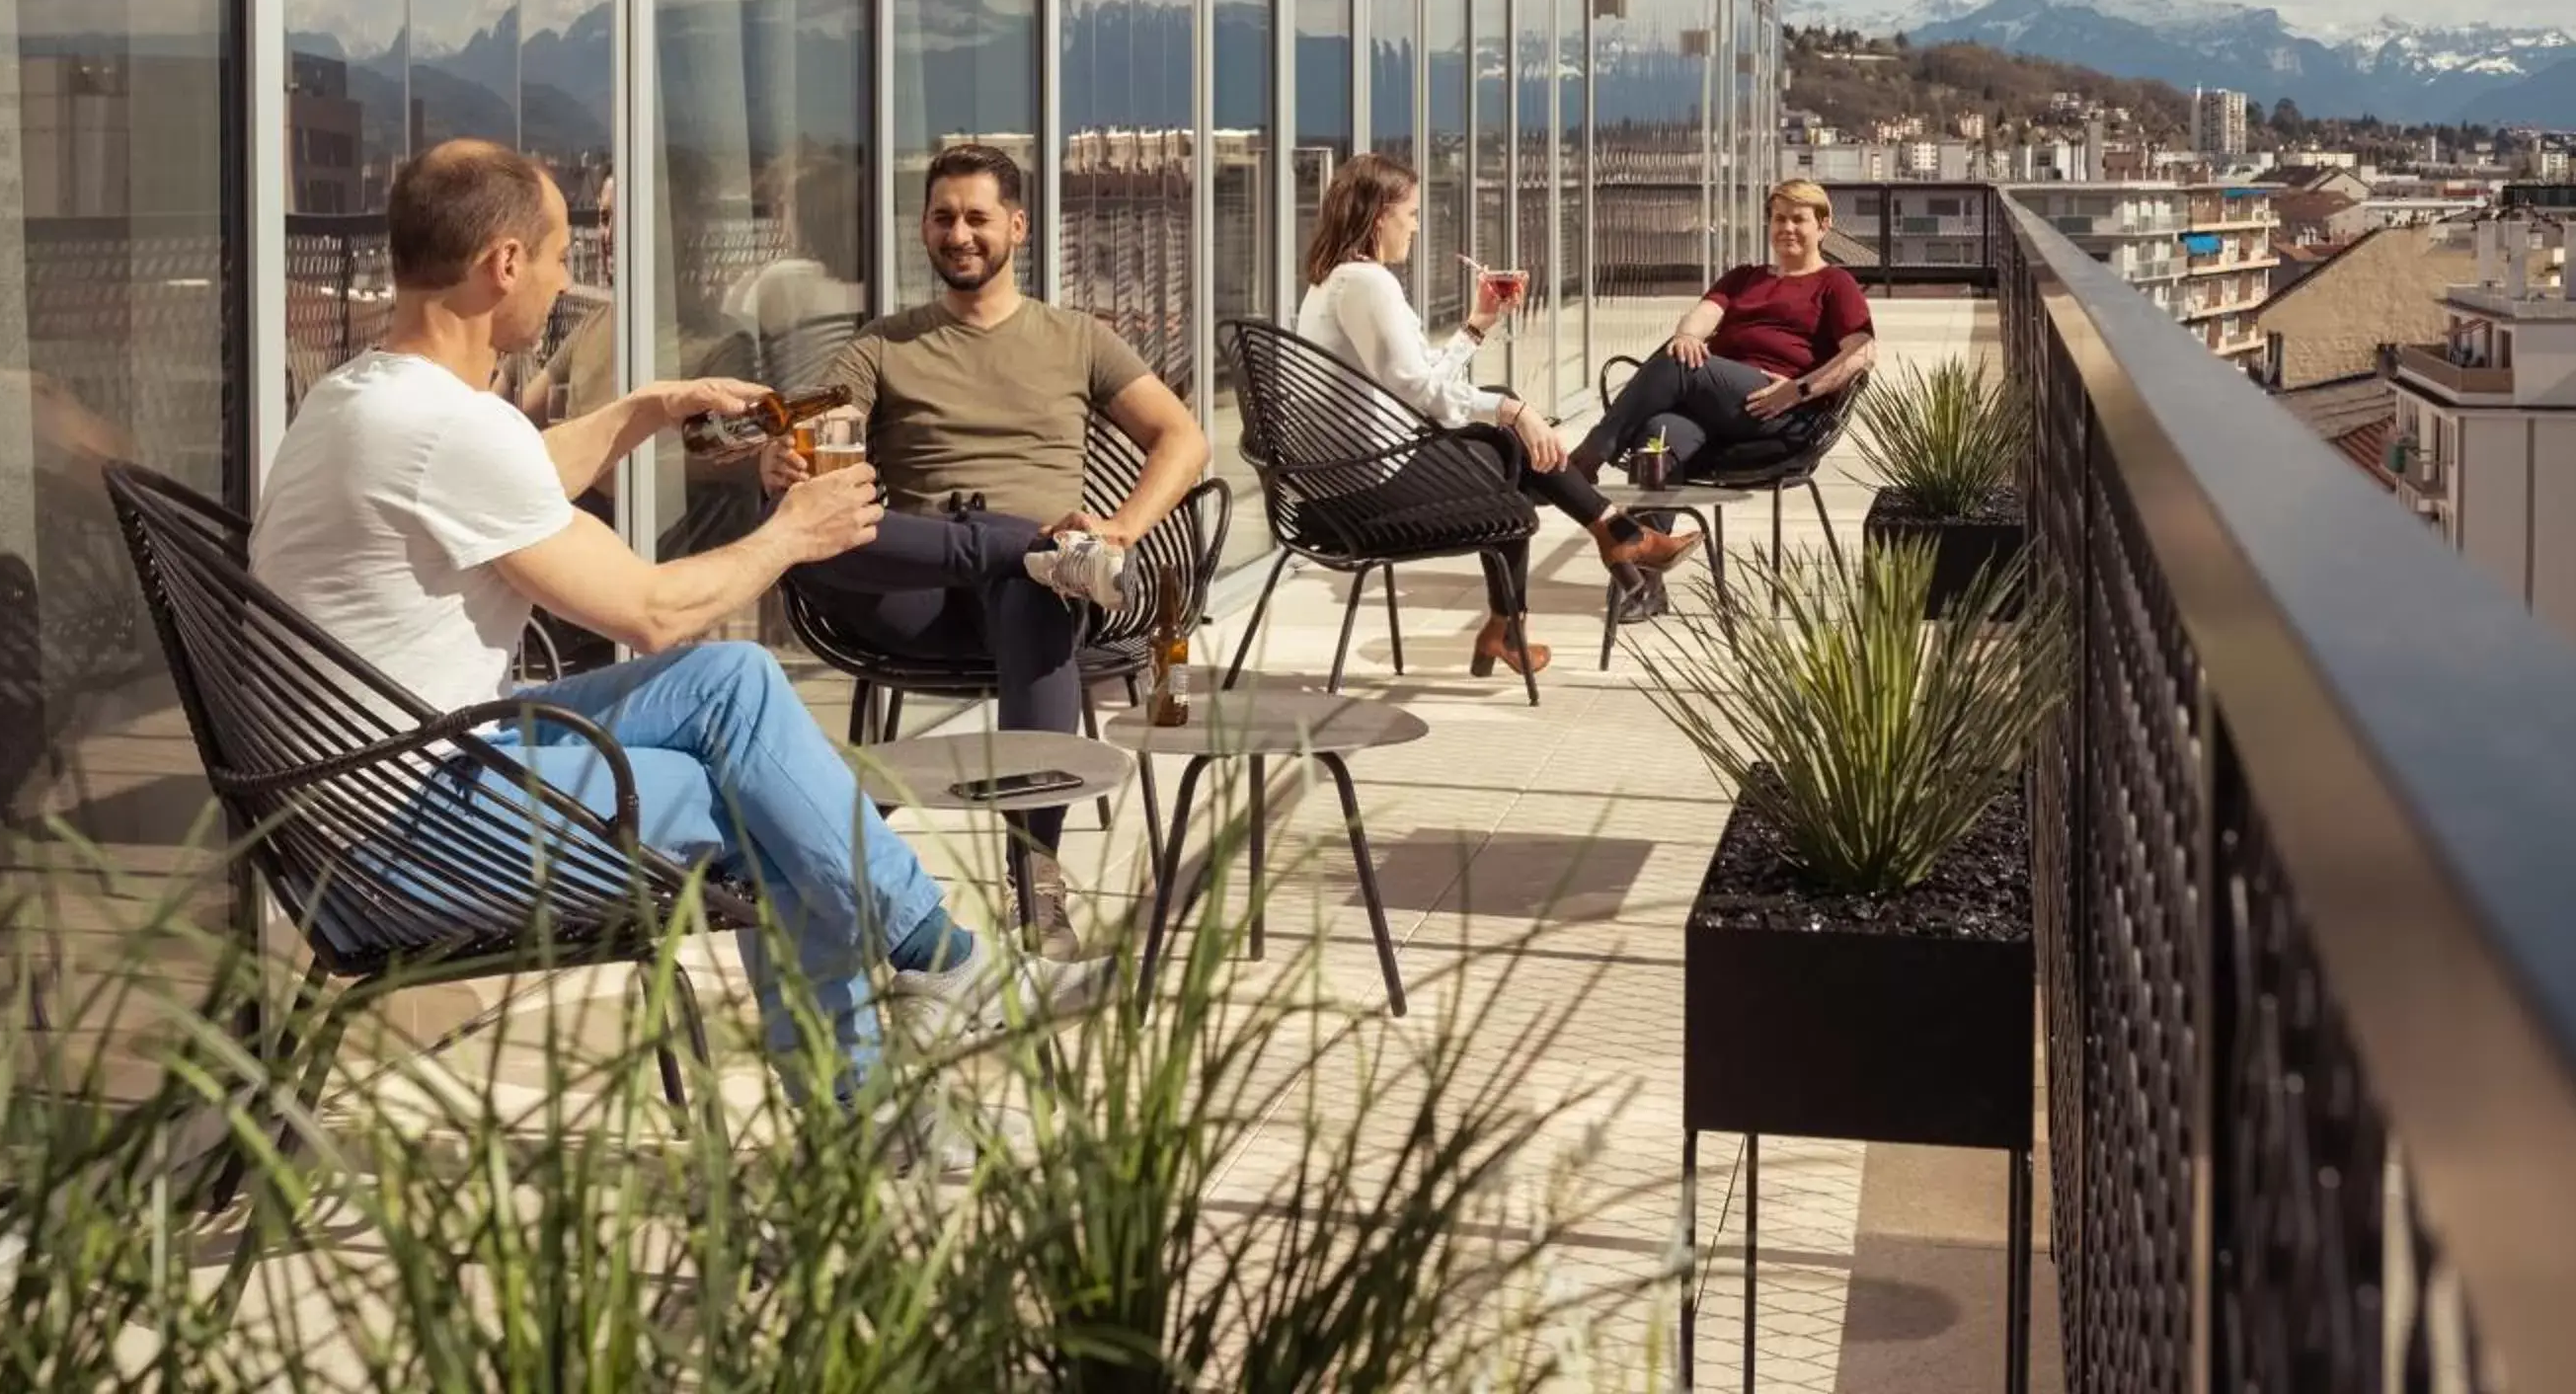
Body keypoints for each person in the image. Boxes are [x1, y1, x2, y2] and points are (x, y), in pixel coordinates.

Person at [251, 139, 1102, 1090]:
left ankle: (930, 984)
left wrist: (654, 407)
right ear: (503, 266)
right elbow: (652, 612)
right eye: (562, 256)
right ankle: (915, 1020)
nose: (567, 282)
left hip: (371, 793)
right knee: (766, 803)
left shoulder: (358, 397)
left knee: (734, 683)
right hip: (407, 841)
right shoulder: (449, 427)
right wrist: (792, 534)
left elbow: (513, 473)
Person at [761, 143, 1211, 959]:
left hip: (1040, 602)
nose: (958, 233)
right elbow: (809, 436)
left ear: (1017, 226)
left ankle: (1036, 877)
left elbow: (1184, 439)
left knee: (1033, 591)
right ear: (924, 229)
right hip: (913, 592)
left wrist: (1118, 531)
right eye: (942, 218)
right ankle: (1009, 549)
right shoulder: (882, 347)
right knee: (822, 534)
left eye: (976, 217)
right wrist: (783, 457)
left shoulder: (1077, 339)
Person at [1293, 155, 1699, 678]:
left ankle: (1599, 547)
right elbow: (1419, 392)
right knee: (1513, 456)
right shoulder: (1367, 284)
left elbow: (1418, 382)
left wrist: (1477, 325)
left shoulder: (1335, 281)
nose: (1417, 227)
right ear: (1379, 216)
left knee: (1513, 451)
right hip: (1361, 491)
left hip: (1336, 480)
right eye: (1412, 214)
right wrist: (1514, 411)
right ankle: (1603, 544)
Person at [1575, 179, 1879, 481]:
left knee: (1678, 364)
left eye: (1798, 219)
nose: (1787, 228)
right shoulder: (1744, 277)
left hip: (1778, 406)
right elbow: (1704, 313)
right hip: (1718, 401)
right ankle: (1646, 530)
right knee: (1657, 437)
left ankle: (1588, 457)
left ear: (1823, 226)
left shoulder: (1836, 284)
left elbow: (1863, 351)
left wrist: (1800, 389)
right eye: (1779, 218)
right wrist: (1688, 336)